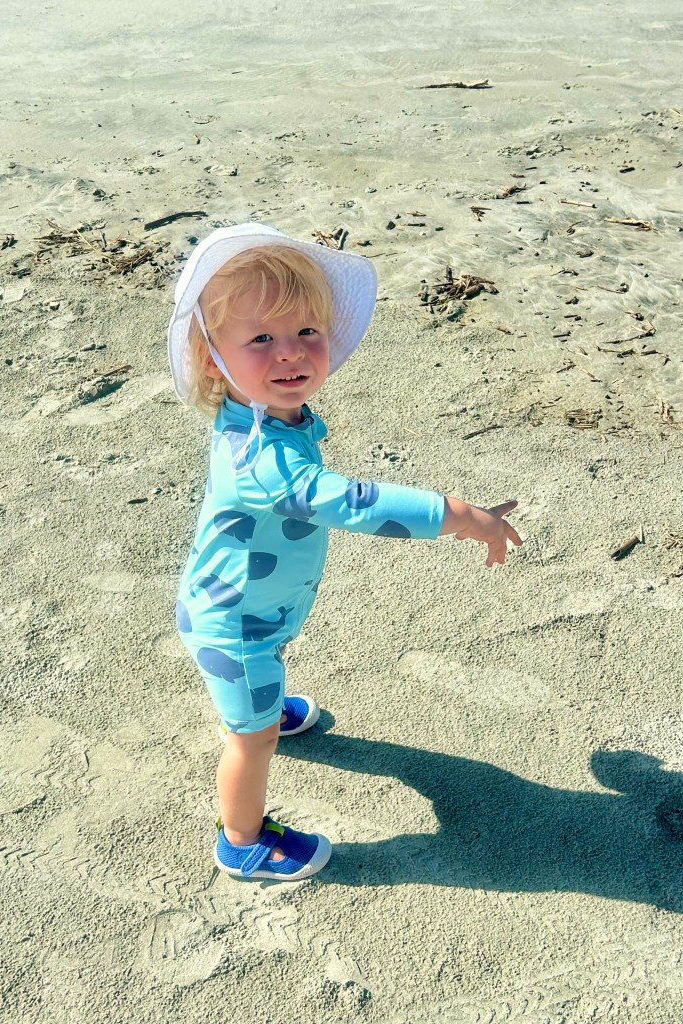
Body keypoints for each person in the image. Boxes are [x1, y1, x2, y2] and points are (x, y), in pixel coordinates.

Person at [167, 223, 522, 882]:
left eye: (306, 330)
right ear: (212, 358)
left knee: (262, 693)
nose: (290, 352)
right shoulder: (262, 458)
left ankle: (261, 706)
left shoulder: (263, 414)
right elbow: (352, 502)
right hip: (235, 627)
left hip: (253, 608)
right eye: (260, 339)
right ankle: (242, 841)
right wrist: (458, 516)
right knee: (250, 742)